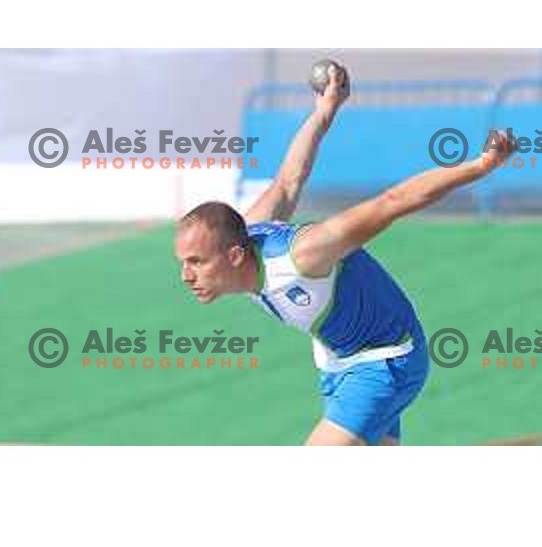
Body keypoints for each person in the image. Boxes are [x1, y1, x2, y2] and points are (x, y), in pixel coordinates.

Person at [174, 66, 514, 446]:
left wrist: (478, 167)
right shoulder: (247, 228)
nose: (186, 275)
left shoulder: (304, 254)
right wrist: (324, 110)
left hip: (386, 360)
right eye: (183, 262)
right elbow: (289, 179)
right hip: (338, 365)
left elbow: (392, 202)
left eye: (197, 261)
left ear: (235, 256)